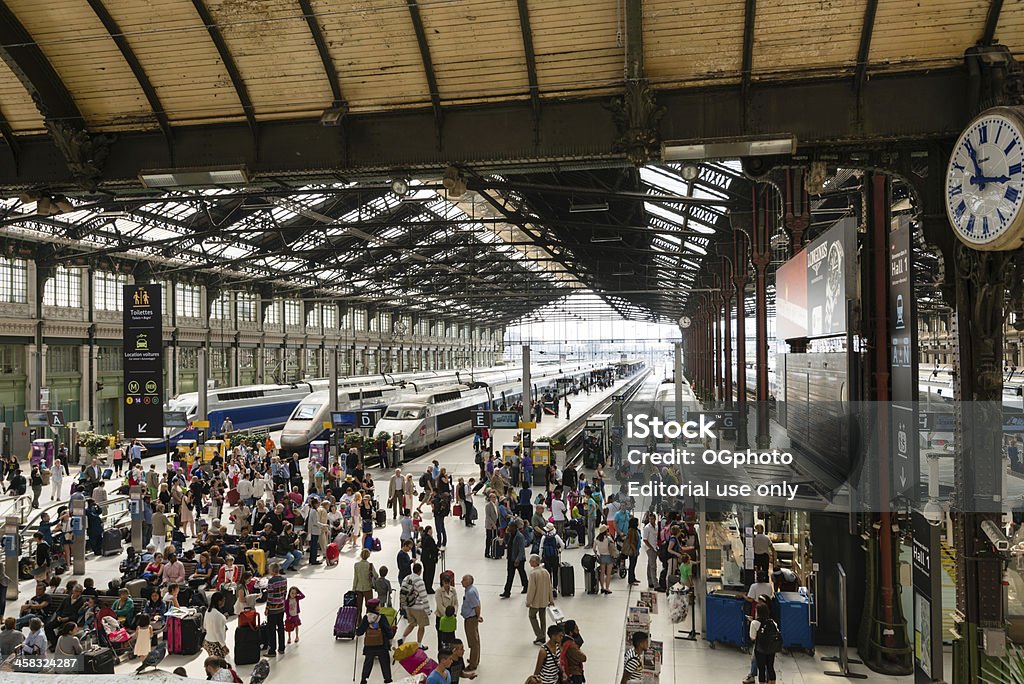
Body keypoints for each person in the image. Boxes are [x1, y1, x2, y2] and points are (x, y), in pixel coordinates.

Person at [356, 598, 394, 684]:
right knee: (385, 663)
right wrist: (391, 634)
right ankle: (387, 680)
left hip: (369, 646)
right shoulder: (382, 617)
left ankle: (363, 680)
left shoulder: (366, 618)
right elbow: (389, 632)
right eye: (378, 605)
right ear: (376, 607)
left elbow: (360, 632)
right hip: (382, 645)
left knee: (368, 663)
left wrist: (357, 631)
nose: (380, 606)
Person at [399, 562, 431, 646]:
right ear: (420, 571)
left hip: (409, 607)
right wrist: (427, 611)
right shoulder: (419, 581)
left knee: (411, 624)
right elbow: (424, 596)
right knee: (421, 626)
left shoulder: (406, 578)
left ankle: (402, 638)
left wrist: (404, 606)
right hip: (418, 608)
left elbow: (402, 591)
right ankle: (419, 644)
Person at [525, 554, 554, 645]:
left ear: (535, 562)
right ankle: (543, 636)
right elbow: (550, 586)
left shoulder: (533, 574)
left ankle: (540, 635)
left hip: (535, 601)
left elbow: (531, 589)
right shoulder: (545, 572)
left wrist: (528, 601)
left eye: (531, 561)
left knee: (532, 616)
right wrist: (551, 599)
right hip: (544, 599)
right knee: (543, 618)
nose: (529, 562)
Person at [750, 602, 780, 684]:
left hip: (760, 649)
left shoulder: (755, 623)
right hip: (771, 649)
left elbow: (752, 637)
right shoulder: (772, 622)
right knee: (770, 667)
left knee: (761, 669)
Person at [500, 520, 528, 598]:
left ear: (515, 527)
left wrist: (518, 559)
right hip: (510, 558)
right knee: (510, 575)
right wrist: (505, 534)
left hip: (519, 559)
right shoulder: (509, 535)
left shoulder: (520, 536)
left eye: (510, 526)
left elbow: (521, 549)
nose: (508, 527)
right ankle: (507, 592)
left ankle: (526, 586)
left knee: (522, 573)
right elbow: (506, 542)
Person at [265, 562, 287, 657]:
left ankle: (272, 650)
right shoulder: (284, 579)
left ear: (273, 571)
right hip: (281, 607)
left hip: (273, 609)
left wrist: (267, 607)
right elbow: (285, 592)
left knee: (272, 629)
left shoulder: (271, 581)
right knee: (281, 627)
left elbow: (270, 596)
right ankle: (282, 648)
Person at [460, 575, 482, 673]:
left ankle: (473, 664)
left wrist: (477, 617)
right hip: (470, 618)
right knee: (474, 640)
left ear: (468, 582)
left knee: (473, 641)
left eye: (463, 580)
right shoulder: (470, 590)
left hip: (471, 619)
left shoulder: (470, 592)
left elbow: (477, 605)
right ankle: (475, 658)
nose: (461, 581)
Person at [203, 592, 230, 658]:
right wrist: (223, 645)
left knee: (213, 663)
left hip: (207, 641)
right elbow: (217, 632)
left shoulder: (208, 611)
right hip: (215, 644)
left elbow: (205, 626)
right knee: (218, 665)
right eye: (223, 600)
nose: (224, 602)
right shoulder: (218, 615)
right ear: (219, 602)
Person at [560, 620, 587, 684]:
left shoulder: (563, 641)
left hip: (568, 672)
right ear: (570, 632)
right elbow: (583, 658)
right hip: (574, 673)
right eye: (576, 629)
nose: (578, 630)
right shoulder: (571, 646)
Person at [593, 525, 615, 595]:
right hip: (609, 557)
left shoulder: (596, 539)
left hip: (602, 557)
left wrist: (596, 553)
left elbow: (594, 549)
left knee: (602, 573)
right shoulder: (608, 538)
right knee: (608, 574)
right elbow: (613, 544)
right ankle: (607, 588)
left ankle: (602, 587)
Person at [641, 512, 659, 589]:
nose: (651, 520)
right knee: (653, 566)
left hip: (655, 547)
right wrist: (651, 548)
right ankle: (656, 584)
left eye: (652, 519)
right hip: (650, 548)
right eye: (650, 519)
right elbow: (645, 539)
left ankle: (650, 582)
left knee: (650, 565)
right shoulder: (647, 528)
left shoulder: (656, 527)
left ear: (655, 519)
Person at [622, 516, 641, 586]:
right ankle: (631, 580)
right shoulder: (631, 531)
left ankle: (633, 578)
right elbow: (632, 542)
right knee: (632, 565)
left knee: (634, 565)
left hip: (636, 549)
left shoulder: (635, 530)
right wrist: (635, 550)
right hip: (633, 551)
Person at [421, 526, 439, 594]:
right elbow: (432, 549)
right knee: (430, 573)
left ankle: (425, 586)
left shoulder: (423, 537)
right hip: (430, 559)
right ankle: (429, 588)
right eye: (431, 530)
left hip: (424, 557)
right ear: (429, 530)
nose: (432, 531)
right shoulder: (429, 539)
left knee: (426, 572)